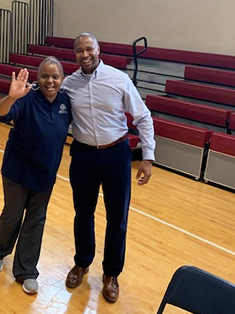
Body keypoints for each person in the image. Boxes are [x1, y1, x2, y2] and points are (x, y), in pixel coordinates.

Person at [62, 33, 155, 303]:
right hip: (83, 156)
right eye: (79, 50)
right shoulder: (68, 84)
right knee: (83, 214)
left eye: (89, 48)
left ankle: (111, 274)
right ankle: (82, 263)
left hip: (116, 154)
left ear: (98, 49)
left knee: (117, 218)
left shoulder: (119, 79)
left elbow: (143, 117)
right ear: (75, 54)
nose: (84, 54)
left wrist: (147, 157)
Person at [0, 57, 71, 295]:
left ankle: (26, 270)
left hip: (46, 172)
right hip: (18, 169)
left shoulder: (66, 101)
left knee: (36, 220)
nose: (50, 81)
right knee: (12, 214)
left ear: (62, 79)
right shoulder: (26, 97)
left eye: (55, 76)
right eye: (45, 76)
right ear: (37, 77)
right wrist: (12, 96)